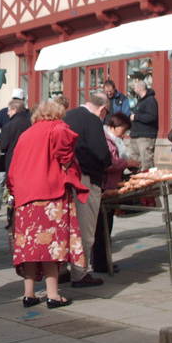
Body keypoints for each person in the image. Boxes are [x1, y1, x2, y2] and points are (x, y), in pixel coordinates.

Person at [7, 99, 87, 309]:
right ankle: (53, 295)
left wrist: (15, 193)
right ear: (57, 113)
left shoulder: (26, 134)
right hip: (50, 195)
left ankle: (29, 294)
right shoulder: (58, 127)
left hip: (25, 197)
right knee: (52, 246)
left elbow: (12, 170)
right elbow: (66, 155)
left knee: (30, 247)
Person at [63, 91, 112, 287]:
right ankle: (80, 273)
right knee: (85, 227)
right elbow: (102, 154)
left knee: (66, 226)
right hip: (86, 179)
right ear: (102, 109)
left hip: (65, 178)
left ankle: (61, 269)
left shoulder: (68, 115)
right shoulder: (92, 120)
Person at [92, 112, 139, 273]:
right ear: (114, 126)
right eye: (123, 129)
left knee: (106, 225)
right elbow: (108, 163)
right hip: (105, 186)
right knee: (102, 227)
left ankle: (103, 260)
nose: (124, 133)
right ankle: (101, 263)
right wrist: (126, 163)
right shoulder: (106, 140)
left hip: (112, 184)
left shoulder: (115, 140)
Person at [0, 88, 26, 217]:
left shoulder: (27, 114)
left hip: (19, 154)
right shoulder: (3, 113)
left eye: (19, 100)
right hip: (5, 152)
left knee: (14, 183)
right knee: (0, 180)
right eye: (15, 100)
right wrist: (0, 138)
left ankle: (12, 206)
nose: (16, 102)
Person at [0, 99, 32, 218]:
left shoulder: (8, 126)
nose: (7, 113)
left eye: (9, 110)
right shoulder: (30, 123)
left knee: (12, 190)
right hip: (28, 162)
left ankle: (11, 212)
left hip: (12, 163)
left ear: (14, 110)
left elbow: (4, 145)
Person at [129, 78, 158, 171]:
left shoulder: (150, 100)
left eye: (135, 87)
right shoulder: (140, 101)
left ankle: (150, 184)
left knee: (146, 163)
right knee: (135, 163)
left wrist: (136, 117)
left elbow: (152, 117)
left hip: (146, 136)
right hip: (135, 135)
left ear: (140, 88)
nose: (134, 89)